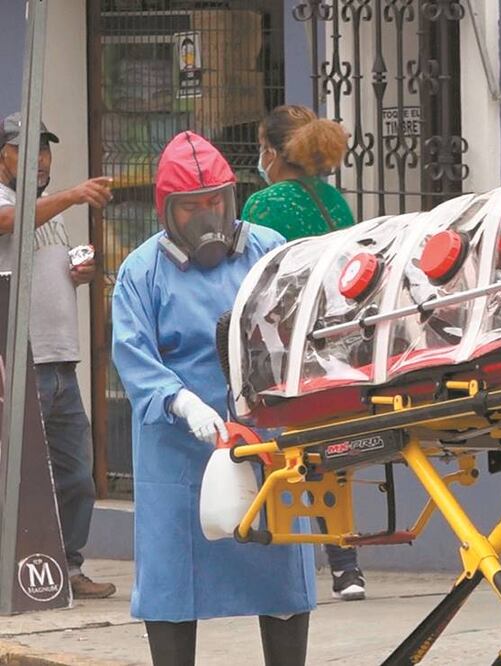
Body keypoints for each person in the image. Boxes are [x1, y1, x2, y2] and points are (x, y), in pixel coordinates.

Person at [111, 131, 315, 665]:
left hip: (262, 439)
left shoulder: (270, 251)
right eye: (192, 208)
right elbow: (133, 356)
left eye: (215, 204)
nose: (207, 218)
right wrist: (182, 402)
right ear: (166, 211)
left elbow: (303, 330)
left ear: (231, 198)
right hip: (177, 451)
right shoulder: (141, 273)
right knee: (172, 580)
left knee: (281, 567)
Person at [244, 104, 366, 602]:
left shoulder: (264, 203)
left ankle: (284, 555)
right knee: (329, 449)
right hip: (339, 337)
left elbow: (252, 278)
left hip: (288, 342)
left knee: (286, 450)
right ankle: (346, 564)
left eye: (260, 148)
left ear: (272, 153)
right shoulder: (335, 200)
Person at [0, 112, 116, 599]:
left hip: (61, 361)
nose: (40, 158)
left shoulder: (51, 211)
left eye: (45, 149)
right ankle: (15, 573)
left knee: (75, 475)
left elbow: (53, 264)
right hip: (20, 361)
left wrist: (80, 272)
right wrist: (69, 194)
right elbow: (7, 222)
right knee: (18, 476)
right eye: (27, 149)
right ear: (3, 155)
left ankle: (67, 567)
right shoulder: (11, 201)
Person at [242, 104, 354, 241]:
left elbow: (254, 258)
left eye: (262, 146)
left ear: (271, 153)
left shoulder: (262, 203)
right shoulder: (333, 196)